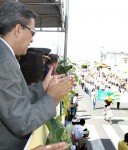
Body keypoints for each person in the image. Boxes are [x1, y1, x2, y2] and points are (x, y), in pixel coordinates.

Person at [0, 1, 73, 150]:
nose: (32, 39)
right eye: (32, 32)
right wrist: (51, 99)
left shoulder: (6, 56)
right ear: (18, 29)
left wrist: (44, 86)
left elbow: (18, 98)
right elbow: (22, 121)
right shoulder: (5, 62)